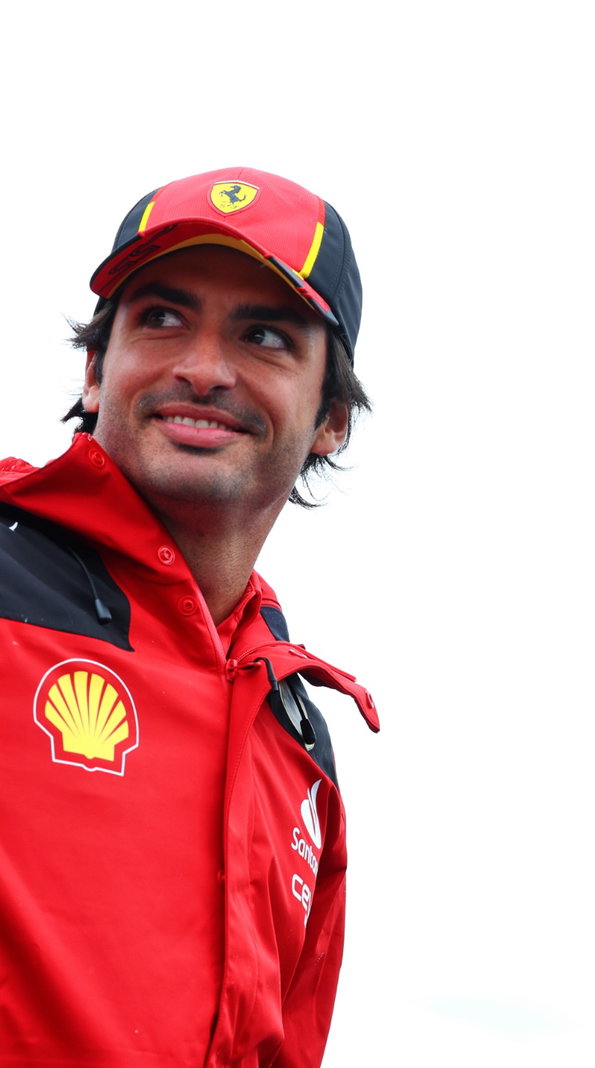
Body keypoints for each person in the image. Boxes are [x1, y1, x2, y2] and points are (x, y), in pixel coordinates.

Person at [0, 167, 380, 1066]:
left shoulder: (300, 737)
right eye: (162, 319)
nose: (202, 369)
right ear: (96, 370)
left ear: (331, 418)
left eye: (263, 336)